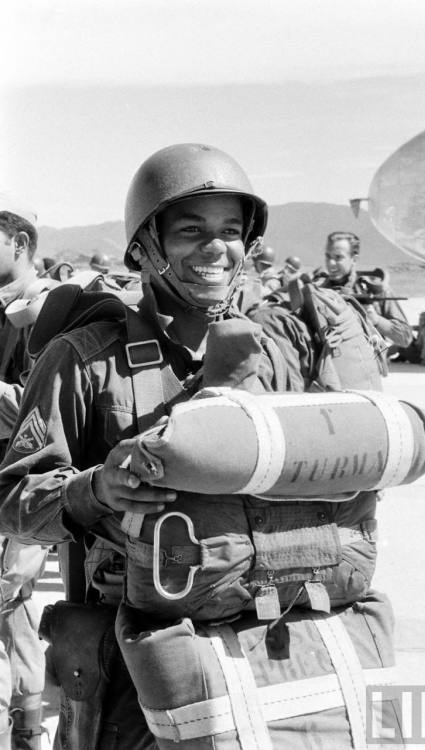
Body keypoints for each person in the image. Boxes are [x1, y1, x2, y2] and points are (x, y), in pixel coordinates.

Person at [0, 147, 396, 748]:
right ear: (144, 247)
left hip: (268, 653)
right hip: (130, 667)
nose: (216, 248)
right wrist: (95, 488)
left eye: (231, 232)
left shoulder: (278, 349)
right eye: (191, 231)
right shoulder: (84, 359)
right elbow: (14, 501)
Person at [0, 195, 48, 750]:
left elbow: (42, 408)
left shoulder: (45, 306)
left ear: (20, 243)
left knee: (9, 603)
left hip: (20, 485)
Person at [314, 231, 412, 348]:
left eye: (338, 257)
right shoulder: (318, 291)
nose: (331, 263)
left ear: (354, 259)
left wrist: (376, 320)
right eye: (328, 256)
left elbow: (406, 337)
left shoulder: (374, 289)